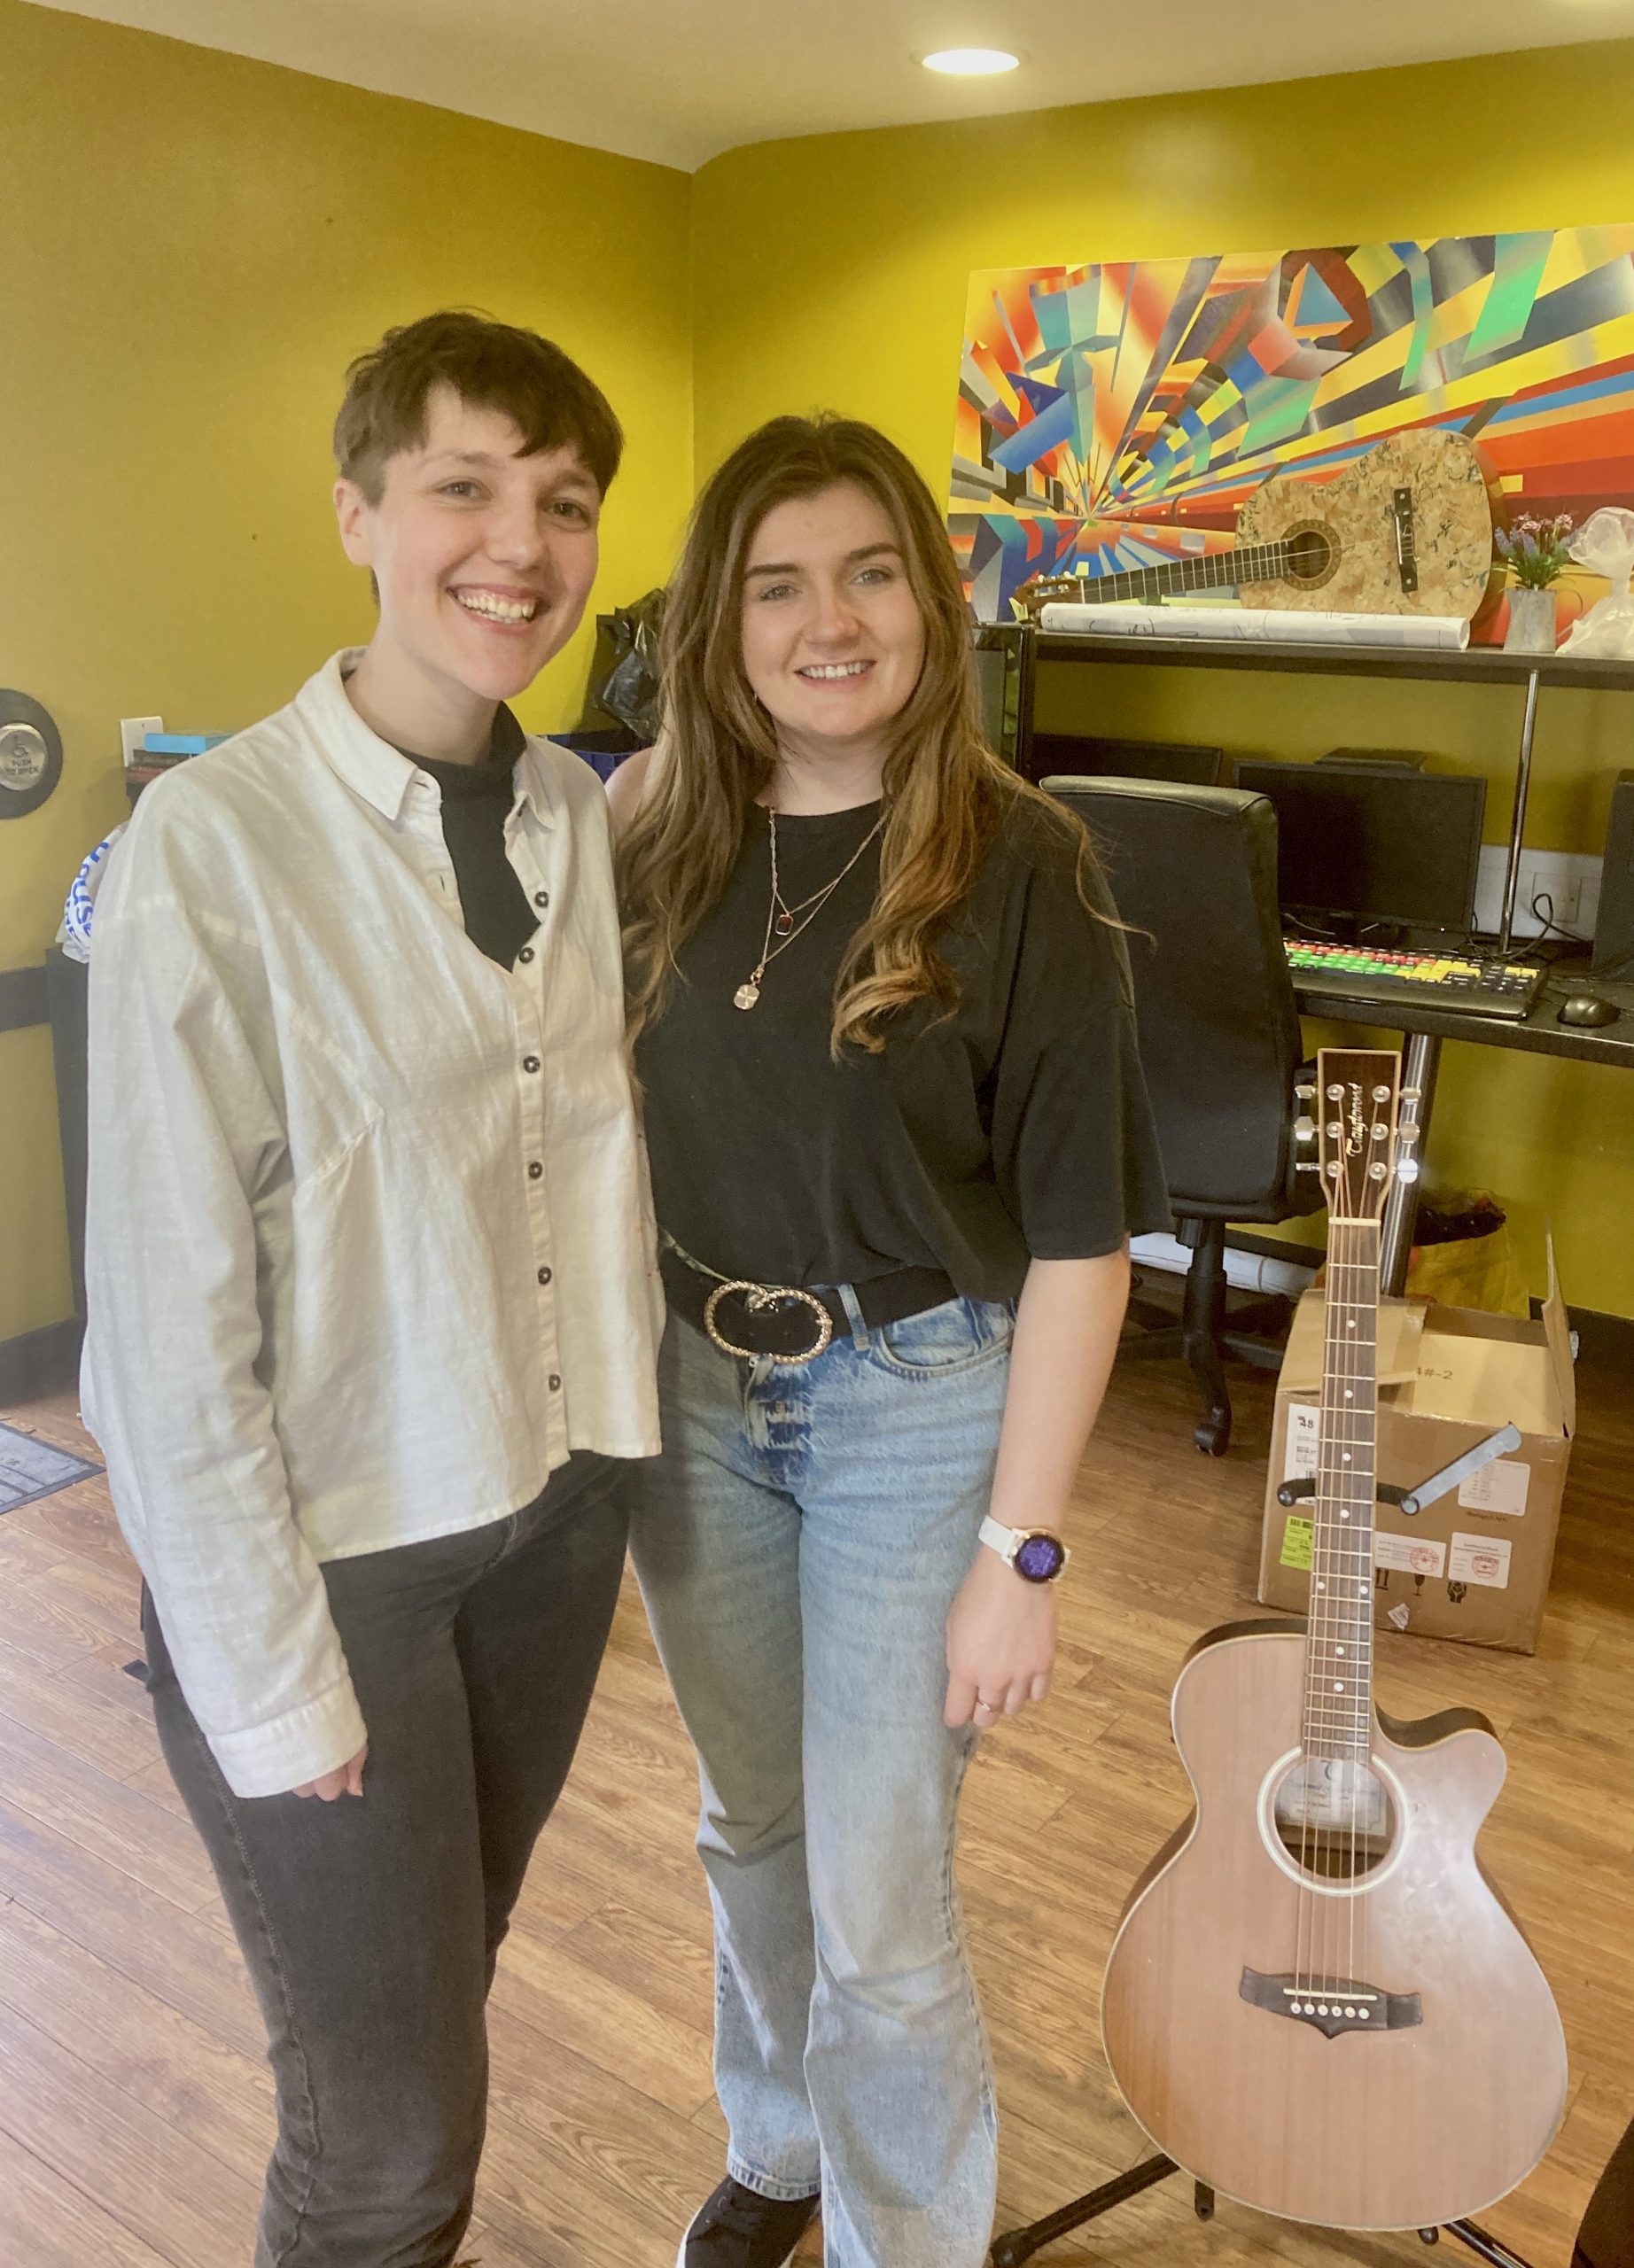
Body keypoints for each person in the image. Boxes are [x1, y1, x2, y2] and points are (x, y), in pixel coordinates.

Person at [82, 309, 663, 2268]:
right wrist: (263, 1671)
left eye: (564, 500)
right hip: (338, 1564)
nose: (522, 541)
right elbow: (164, 1329)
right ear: (359, 511)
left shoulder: (574, 812)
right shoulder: (215, 843)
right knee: (390, 2145)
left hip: (552, 1514)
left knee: (426, 2011)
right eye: (464, 486)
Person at [610, 415, 1171, 2268]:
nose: (825, 619)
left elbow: (1086, 1246)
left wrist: (1023, 1550)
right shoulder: (645, 836)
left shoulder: (1026, 866)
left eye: (867, 571)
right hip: (695, 1394)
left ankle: (902, 2240)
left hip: (914, 1409)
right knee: (748, 1824)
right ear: (718, 622)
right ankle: (777, 2142)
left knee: (879, 1893)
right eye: (775, 582)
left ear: (930, 602)